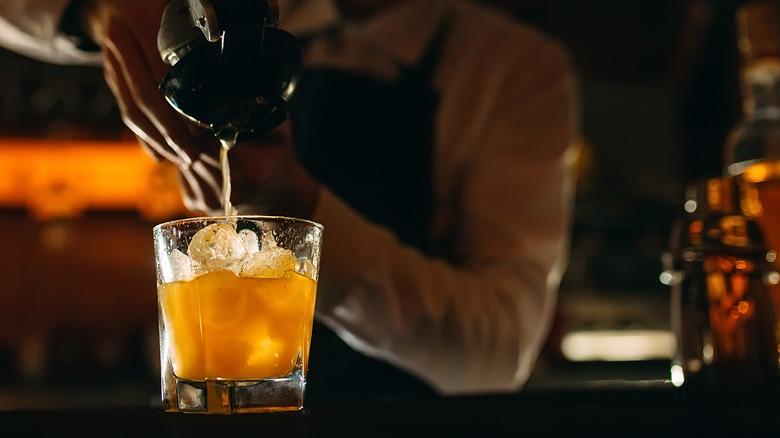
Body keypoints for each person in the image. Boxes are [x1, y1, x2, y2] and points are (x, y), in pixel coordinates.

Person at [0, 0, 580, 398]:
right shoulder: (223, 23)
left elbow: (498, 355)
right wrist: (100, 8)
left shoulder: (515, 68)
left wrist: (300, 211)